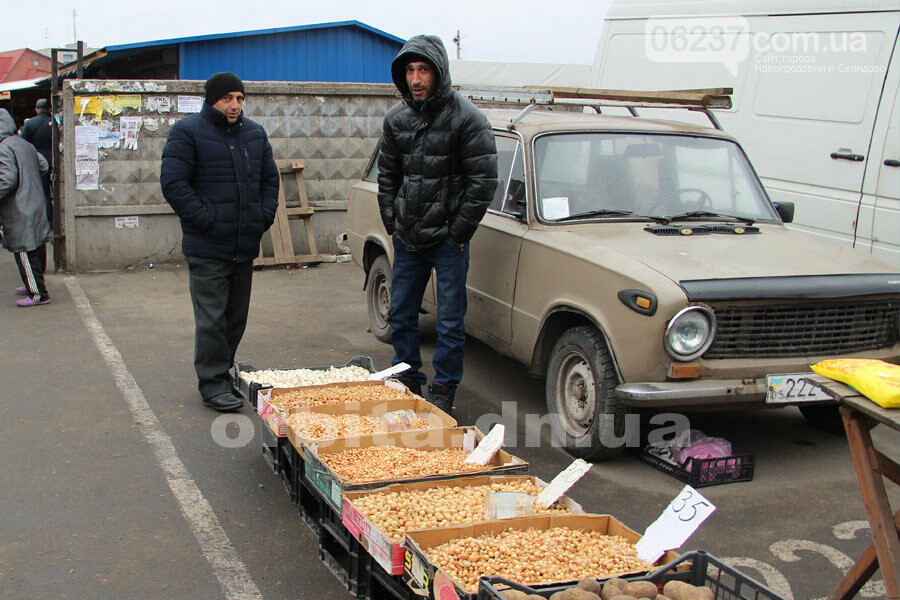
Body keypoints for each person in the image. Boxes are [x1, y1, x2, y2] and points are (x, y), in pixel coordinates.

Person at [377, 35, 498, 412]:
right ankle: (407, 377)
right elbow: (387, 176)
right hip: (408, 236)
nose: (416, 78)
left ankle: (444, 389)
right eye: (410, 70)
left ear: (438, 72)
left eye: (423, 69)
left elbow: (483, 180)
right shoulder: (396, 119)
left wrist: (459, 232)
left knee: (449, 320)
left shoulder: (468, 118)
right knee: (401, 312)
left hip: (449, 240)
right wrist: (392, 222)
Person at [160, 73, 279, 412]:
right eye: (228, 98)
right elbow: (174, 184)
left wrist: (262, 217)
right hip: (208, 246)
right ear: (212, 99)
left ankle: (223, 373)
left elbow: (270, 180)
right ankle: (212, 383)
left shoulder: (254, 134)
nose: (235, 105)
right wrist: (207, 220)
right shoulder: (188, 132)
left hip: (244, 244)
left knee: (234, 317)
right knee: (212, 318)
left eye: (240, 98)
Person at [0, 109, 52, 307]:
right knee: (37, 245)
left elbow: (7, 180)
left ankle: (38, 293)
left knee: (23, 249)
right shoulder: (23, 143)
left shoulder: (3, 148)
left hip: (19, 206)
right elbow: (44, 165)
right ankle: (32, 282)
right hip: (35, 201)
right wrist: (30, 181)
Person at [19, 99, 54, 225]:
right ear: (49, 109)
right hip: (56, 161)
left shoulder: (29, 124)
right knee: (60, 191)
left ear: (36, 110)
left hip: (39, 163)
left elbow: (23, 144)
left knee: (43, 191)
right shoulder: (56, 122)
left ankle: (48, 220)